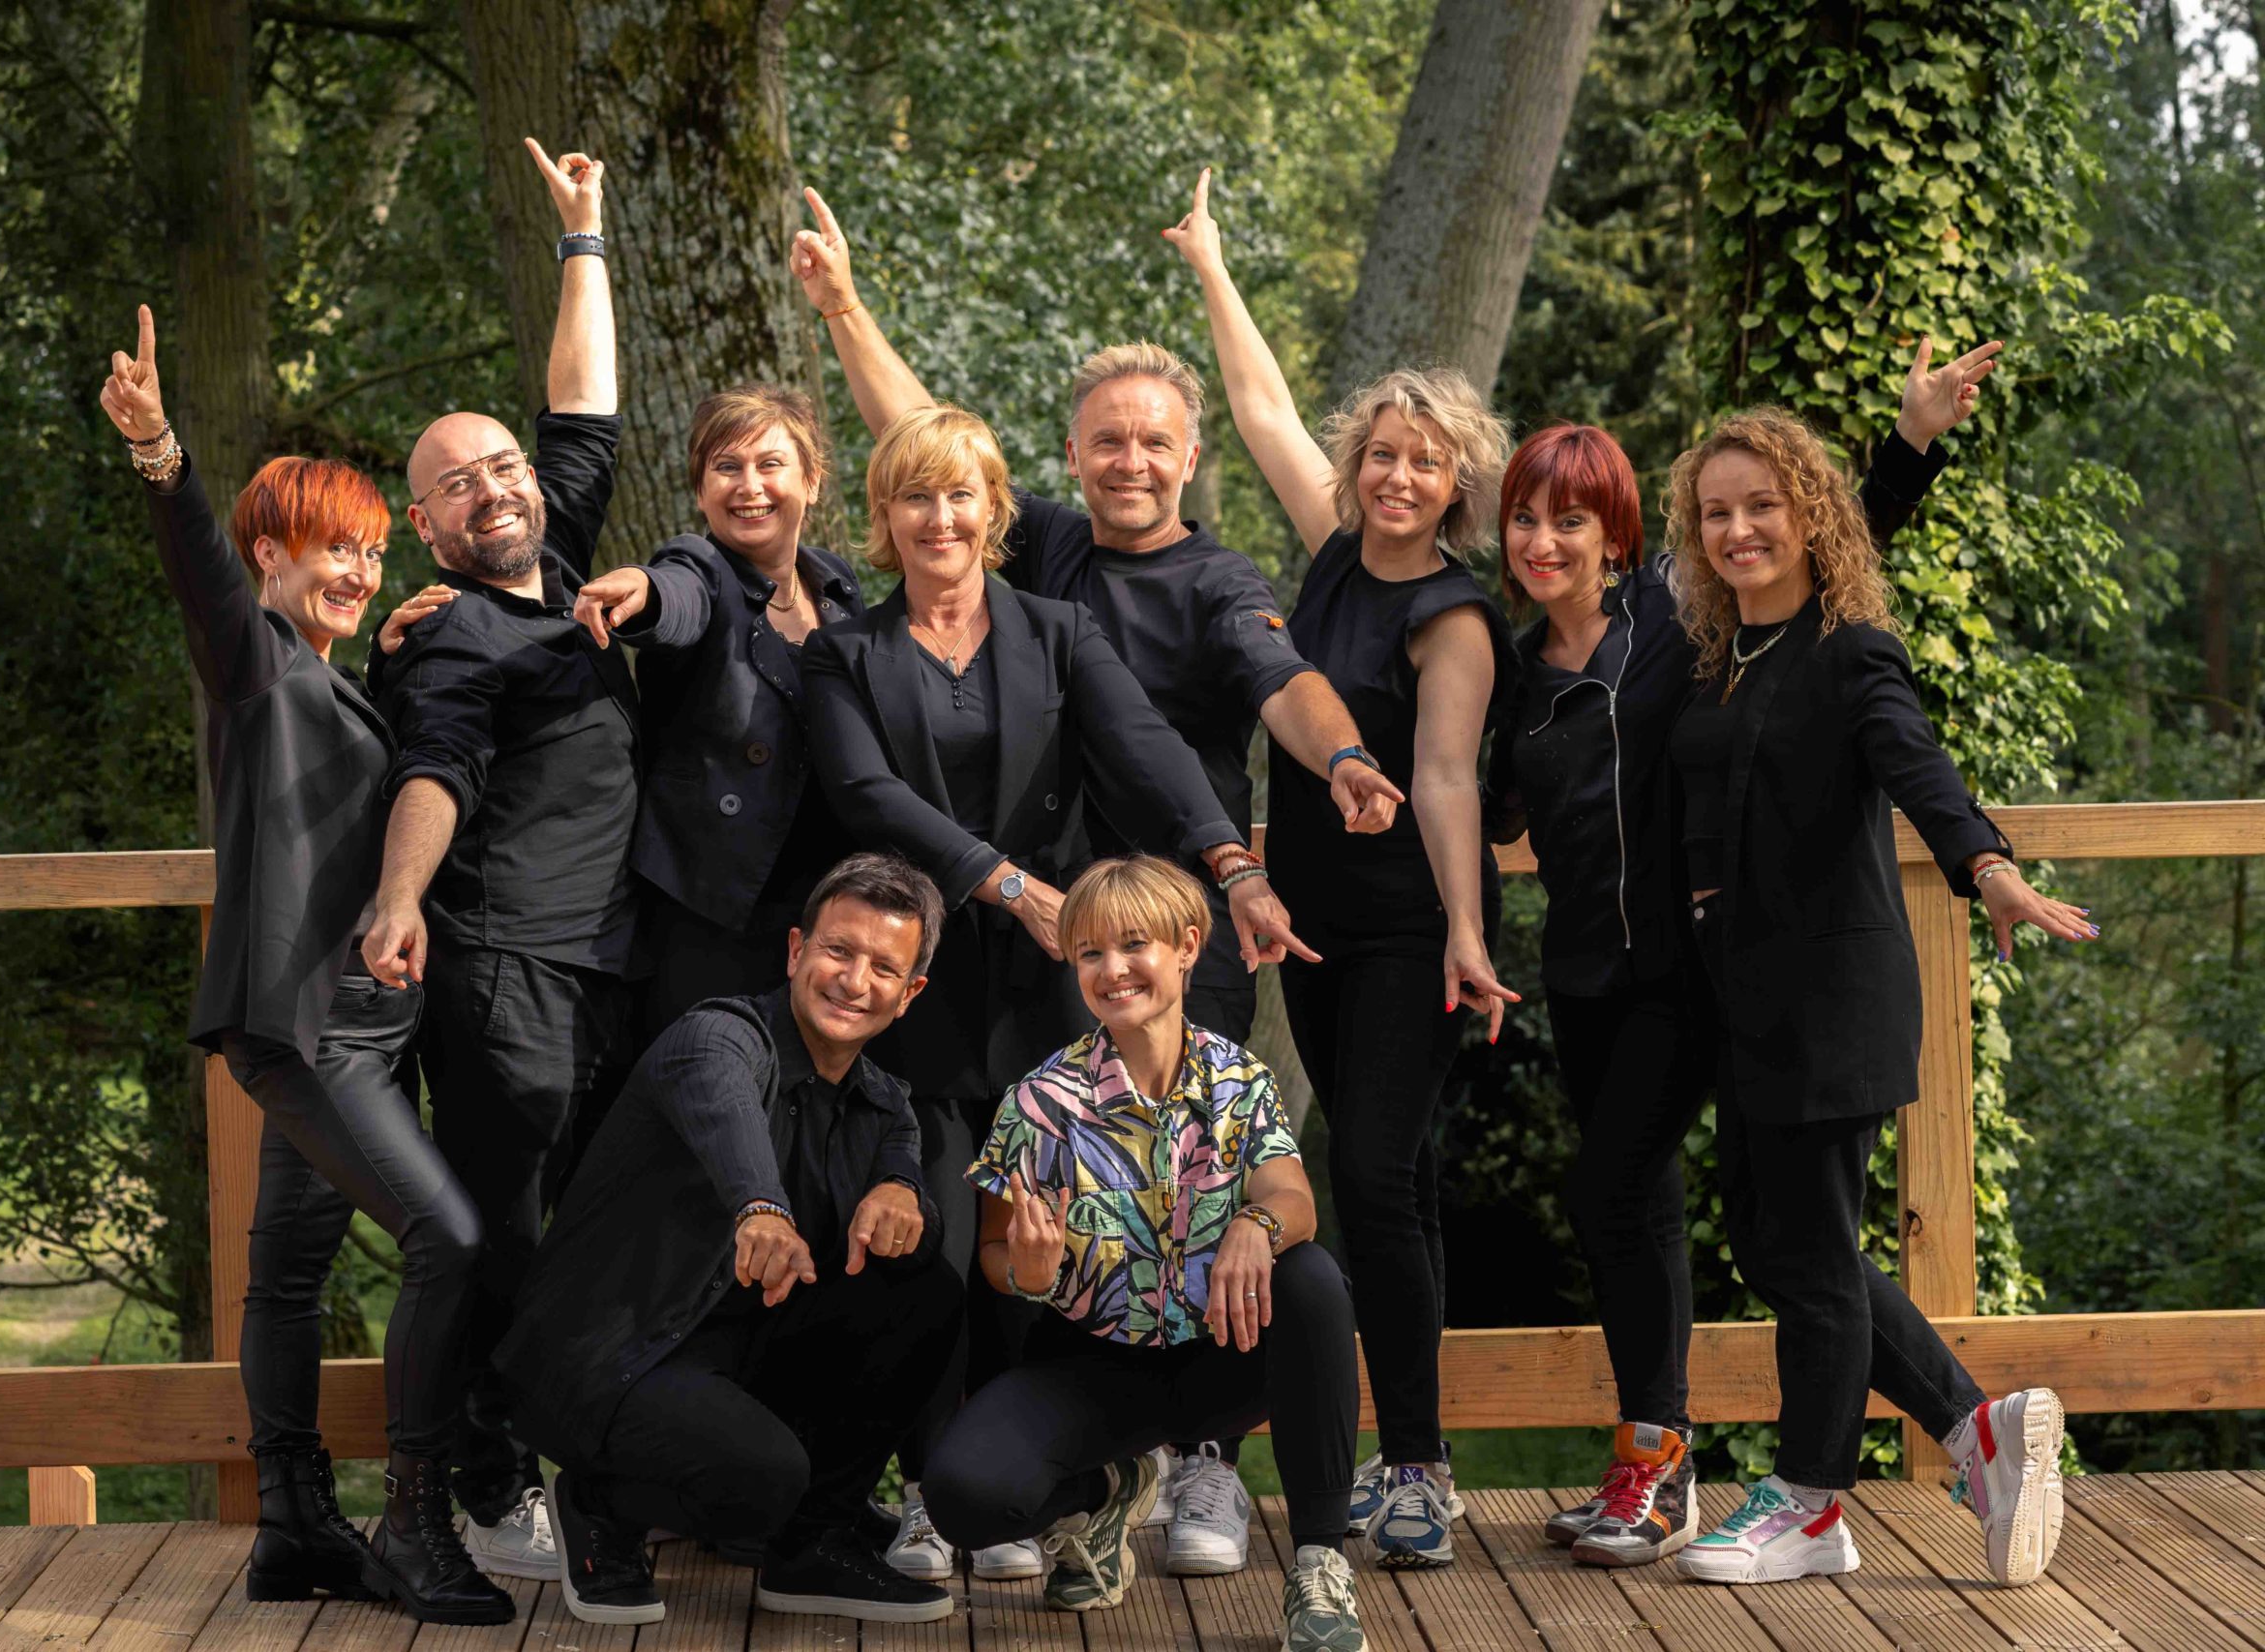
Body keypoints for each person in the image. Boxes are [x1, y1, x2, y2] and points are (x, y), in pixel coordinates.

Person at [789, 192, 1404, 1573]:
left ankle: (1196, 1468)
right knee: (983, 1224)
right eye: (1106, 440)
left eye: (1154, 441)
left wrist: (1278, 823)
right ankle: (1016, 1465)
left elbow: (1258, 695)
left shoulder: (1199, 583)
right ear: (1065, 463)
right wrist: (843, 307)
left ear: (1187, 459)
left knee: (1186, 1197)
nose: (1130, 459)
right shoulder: (1036, 562)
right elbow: (926, 444)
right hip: (1005, 935)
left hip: (1149, 944)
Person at [1484, 337, 2000, 1568]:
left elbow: (1816, 556)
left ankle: (1707, 1473)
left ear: (1618, 533)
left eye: (1573, 518)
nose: (1546, 541)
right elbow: (1487, 806)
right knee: (1758, 1236)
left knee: (1682, 1212)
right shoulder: (1514, 670)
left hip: (1710, 976)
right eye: (1525, 520)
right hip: (1608, 973)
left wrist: (1910, 445)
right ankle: (1968, 1422)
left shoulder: (1676, 622)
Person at [101, 312, 502, 1623]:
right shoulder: (252, 662)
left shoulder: (333, 676)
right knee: (448, 1238)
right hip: (309, 1024)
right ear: (271, 554)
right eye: (337, 550)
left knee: (286, 1274)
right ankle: (418, 1523)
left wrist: (393, 646)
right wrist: (160, 449)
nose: (360, 572)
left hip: (367, 1024)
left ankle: (292, 1524)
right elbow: (197, 564)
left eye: (374, 554)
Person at [1658, 407, 2092, 1587]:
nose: (1739, 530)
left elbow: (1917, 764)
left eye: (1763, 506)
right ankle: (1977, 1429)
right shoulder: (1721, 649)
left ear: (1811, 516)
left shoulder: (1849, 650)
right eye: (1716, 511)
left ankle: (1810, 1504)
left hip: (1832, 995)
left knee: (1806, 1253)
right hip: (1743, 994)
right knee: (1777, 1243)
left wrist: (1988, 868)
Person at [1166, 168, 1516, 1568]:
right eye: (1380, 455)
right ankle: (1411, 1455)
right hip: (1309, 926)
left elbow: (1447, 779)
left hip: (1408, 931)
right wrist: (1210, 264)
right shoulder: (1330, 562)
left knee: (1369, 1175)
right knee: (1393, 1183)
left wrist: (1467, 933)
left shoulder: (1451, 616)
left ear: (1455, 486)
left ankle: (1417, 1466)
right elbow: (1259, 411)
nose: (1396, 477)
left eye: (1424, 464)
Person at [360, 138, 629, 1578]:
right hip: (503, 971)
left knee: (599, 1228)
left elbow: (579, 413)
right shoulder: (451, 635)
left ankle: (594, 1471)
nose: (495, 490)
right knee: (499, 1235)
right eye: (457, 486)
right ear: (425, 525)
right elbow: (436, 770)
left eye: (502, 469)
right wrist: (402, 894)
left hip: (608, 966)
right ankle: (483, 1475)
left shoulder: (567, 571)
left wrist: (583, 237)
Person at [493, 854, 964, 1627]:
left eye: (884, 967)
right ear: (796, 950)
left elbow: (907, 1184)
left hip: (733, 1352)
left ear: (909, 992)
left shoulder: (885, 1104)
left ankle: (813, 1544)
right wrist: (761, 1209)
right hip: (612, 1355)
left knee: (926, 1292)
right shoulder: (717, 1038)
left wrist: (904, 1194)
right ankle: (599, 1502)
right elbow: (726, 1114)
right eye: (839, 950)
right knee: (763, 1477)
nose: (854, 980)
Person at [925, 856, 1367, 1652]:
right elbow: (995, 1248)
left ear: (1188, 946)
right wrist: (1025, 1272)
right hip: (1094, 1367)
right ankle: (1104, 1493)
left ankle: (1319, 1569)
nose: (1113, 969)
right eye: (1091, 951)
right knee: (963, 1497)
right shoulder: (1037, 1103)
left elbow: (1292, 1196)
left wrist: (1255, 1224)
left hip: (1225, 1354)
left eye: (1135, 944)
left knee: (1312, 1278)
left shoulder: (1240, 1079)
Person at [558, 384, 867, 1032]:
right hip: (712, 916)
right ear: (701, 491)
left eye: (770, 464)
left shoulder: (838, 587)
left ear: (812, 481)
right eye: (726, 467)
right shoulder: (699, 565)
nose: (749, 485)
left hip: (824, 913)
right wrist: (642, 589)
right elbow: (677, 593)